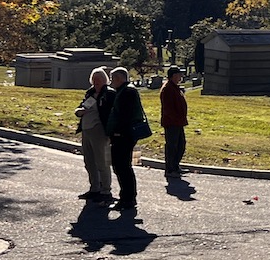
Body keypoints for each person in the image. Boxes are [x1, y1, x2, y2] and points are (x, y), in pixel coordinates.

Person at [106, 66, 149, 213]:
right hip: (122, 134)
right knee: (120, 166)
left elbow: (125, 115)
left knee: (122, 167)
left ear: (119, 78)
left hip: (124, 135)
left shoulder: (127, 92)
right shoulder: (124, 91)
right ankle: (126, 197)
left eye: (112, 78)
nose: (111, 82)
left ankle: (128, 198)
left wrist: (118, 132)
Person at [75, 67, 114, 203]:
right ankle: (94, 188)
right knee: (89, 161)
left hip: (99, 131)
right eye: (94, 80)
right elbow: (82, 106)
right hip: (86, 129)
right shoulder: (90, 93)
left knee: (102, 162)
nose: (96, 83)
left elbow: (111, 113)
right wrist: (79, 111)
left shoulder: (109, 94)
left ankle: (106, 190)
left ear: (105, 80)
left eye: (99, 80)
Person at [159, 65, 188, 179]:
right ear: (173, 76)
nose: (181, 76)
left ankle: (175, 166)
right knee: (172, 146)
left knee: (181, 145)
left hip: (179, 122)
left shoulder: (175, 87)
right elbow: (168, 108)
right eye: (179, 74)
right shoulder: (168, 89)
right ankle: (170, 169)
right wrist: (176, 118)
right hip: (172, 122)